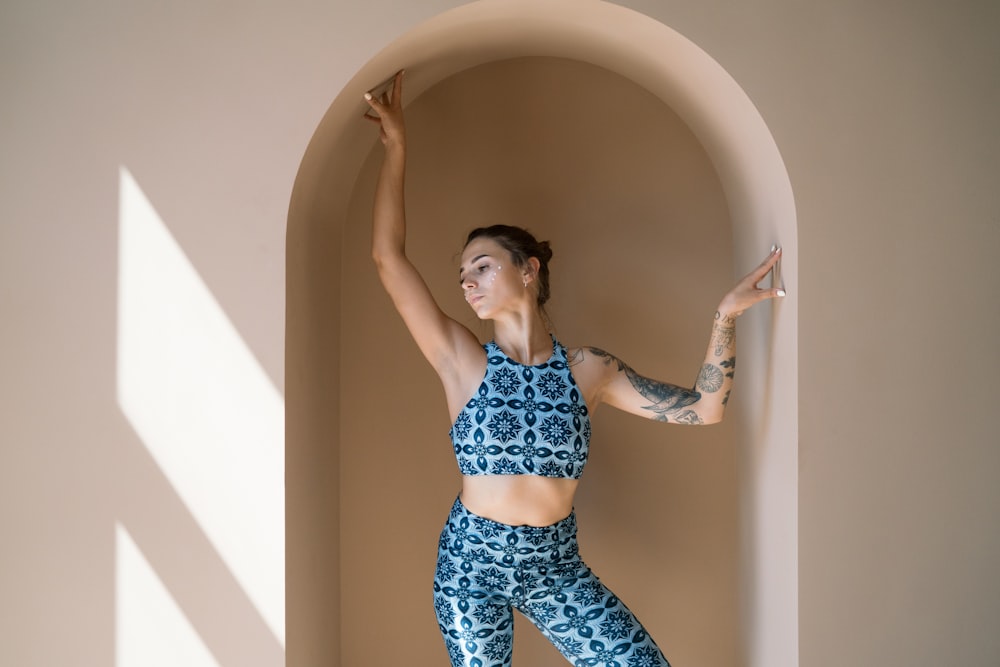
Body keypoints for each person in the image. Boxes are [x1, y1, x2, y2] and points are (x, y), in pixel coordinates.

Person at [364, 71, 784, 667]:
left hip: (554, 566)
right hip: (471, 565)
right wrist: (397, 145)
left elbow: (704, 409)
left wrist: (724, 315)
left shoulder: (591, 371)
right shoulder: (461, 359)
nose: (467, 281)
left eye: (482, 266)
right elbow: (388, 258)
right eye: (463, 275)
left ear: (528, 269)